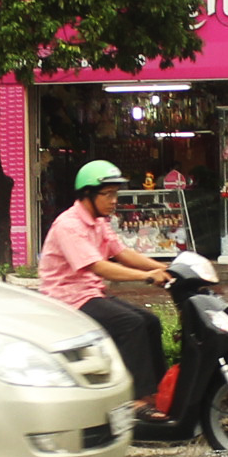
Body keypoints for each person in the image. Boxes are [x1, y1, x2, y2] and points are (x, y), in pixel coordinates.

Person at [36, 159, 170, 404]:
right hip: (67, 300)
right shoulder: (69, 225)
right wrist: (147, 276)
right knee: (131, 324)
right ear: (87, 194)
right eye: (107, 194)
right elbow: (98, 266)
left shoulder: (99, 221)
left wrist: (166, 267)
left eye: (115, 194)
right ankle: (137, 401)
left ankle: (159, 392)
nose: (113, 200)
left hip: (89, 293)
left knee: (150, 321)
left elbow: (122, 253)